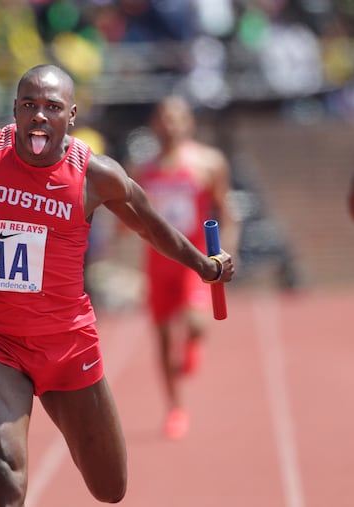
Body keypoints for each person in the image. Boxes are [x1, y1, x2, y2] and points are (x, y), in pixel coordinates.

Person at [0, 64, 235, 505]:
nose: (38, 116)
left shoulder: (95, 176)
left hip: (68, 347)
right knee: (5, 472)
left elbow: (150, 225)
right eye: (29, 105)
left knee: (110, 488)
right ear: (14, 110)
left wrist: (202, 265)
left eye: (52, 107)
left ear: (71, 117)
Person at [129, 95, 239, 440]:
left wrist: (226, 252)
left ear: (189, 123)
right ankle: (175, 408)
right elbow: (132, 219)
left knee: (195, 323)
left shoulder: (209, 163)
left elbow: (227, 211)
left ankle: (193, 342)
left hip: (195, 261)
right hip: (158, 262)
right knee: (162, 338)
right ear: (154, 124)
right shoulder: (142, 170)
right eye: (164, 118)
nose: (171, 125)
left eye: (177, 118)